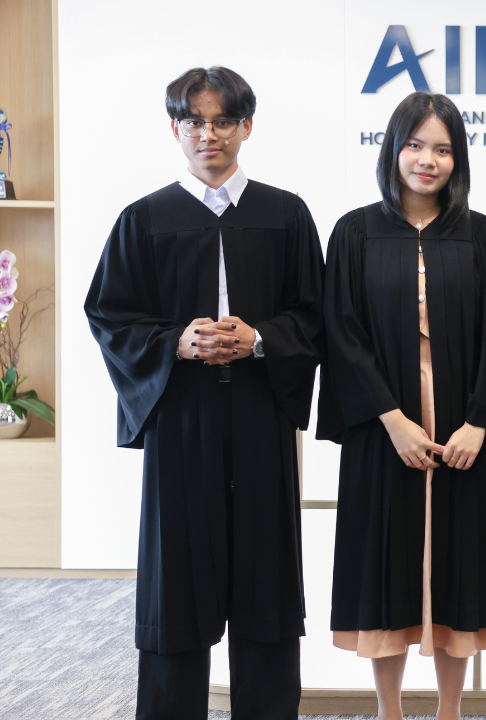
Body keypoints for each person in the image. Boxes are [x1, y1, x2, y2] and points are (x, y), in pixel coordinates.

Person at [85, 66, 324, 720]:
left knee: (266, 582)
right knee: (176, 584)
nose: (208, 134)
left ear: (247, 127)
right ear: (175, 128)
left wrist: (261, 338)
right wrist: (175, 343)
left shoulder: (285, 214)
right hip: (181, 417)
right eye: (194, 121)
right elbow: (109, 315)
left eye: (223, 121)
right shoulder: (145, 219)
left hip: (260, 412)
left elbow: (316, 313)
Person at [318, 91, 486, 720]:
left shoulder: (480, 235)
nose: (427, 160)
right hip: (386, 423)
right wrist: (393, 421)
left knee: (460, 564)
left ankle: (450, 710)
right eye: (414, 145)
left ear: (458, 159)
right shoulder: (354, 232)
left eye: (442, 149)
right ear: (393, 149)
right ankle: (389, 709)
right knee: (387, 565)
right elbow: (341, 333)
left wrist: (481, 423)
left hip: (465, 421)